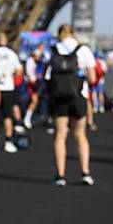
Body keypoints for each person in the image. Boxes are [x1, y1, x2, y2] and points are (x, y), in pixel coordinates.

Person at [45, 24, 96, 187]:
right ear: (73, 34)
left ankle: (60, 175)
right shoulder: (83, 50)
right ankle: (85, 172)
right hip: (78, 96)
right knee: (80, 135)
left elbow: (45, 75)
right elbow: (93, 78)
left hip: (59, 97)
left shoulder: (52, 49)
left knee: (60, 135)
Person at [0, 31, 21, 153]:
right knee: (7, 116)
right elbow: (18, 71)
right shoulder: (12, 54)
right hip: (8, 87)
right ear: (6, 41)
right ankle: (8, 141)